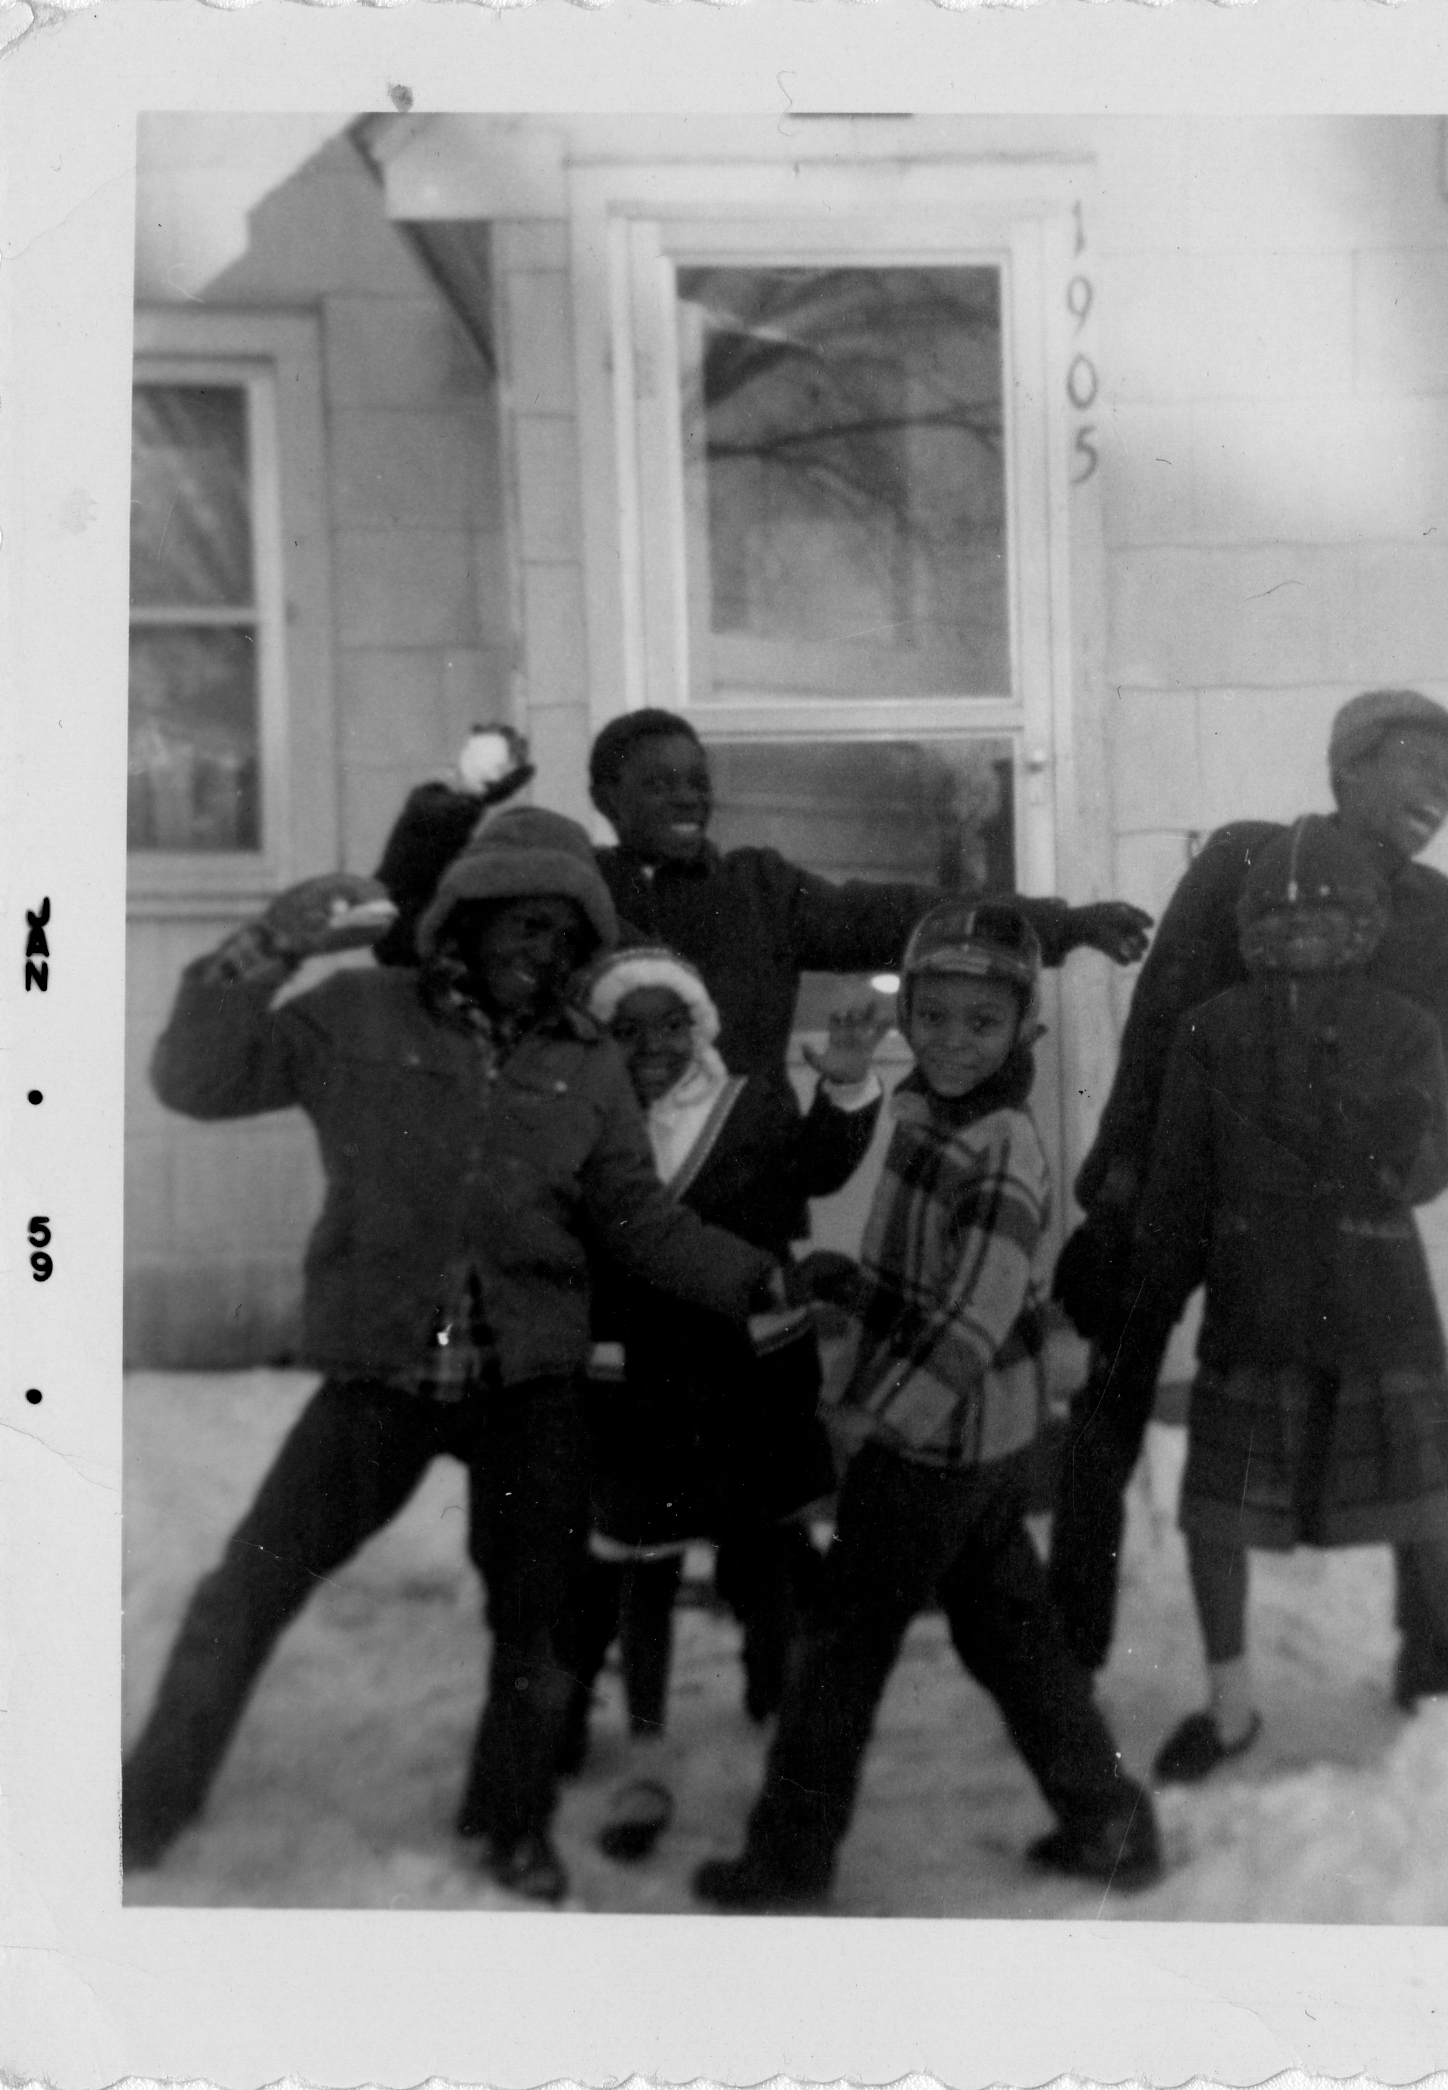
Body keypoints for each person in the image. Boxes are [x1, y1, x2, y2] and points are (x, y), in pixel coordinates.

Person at [369, 710, 1154, 1704]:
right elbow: (415, 930)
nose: (687, 796)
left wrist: (1058, 923)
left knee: (764, 1492)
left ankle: (772, 1683)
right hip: (618, 1253)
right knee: (620, 1503)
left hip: (751, 1232)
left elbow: (902, 913)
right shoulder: (585, 902)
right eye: (658, 782)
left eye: (697, 778)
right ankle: (569, 1707)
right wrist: (452, 808)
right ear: (605, 798)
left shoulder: (758, 889)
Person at [122, 810, 783, 1905]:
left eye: (566, 933)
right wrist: (266, 948)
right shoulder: (353, 1014)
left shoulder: (590, 1065)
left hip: (528, 1382)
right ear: (463, 922)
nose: (544, 949)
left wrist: (756, 1275)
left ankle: (511, 1818)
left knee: (540, 1613)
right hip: (383, 1372)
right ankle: (150, 1804)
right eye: (522, 922)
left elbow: (639, 1219)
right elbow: (195, 1079)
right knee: (247, 1586)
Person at [692, 902, 1163, 1911]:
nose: (952, 1041)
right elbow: (920, 1274)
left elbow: (973, 1310)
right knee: (1008, 1632)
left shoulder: (1004, 1146)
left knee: (841, 1647)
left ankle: (788, 1860)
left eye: (979, 1023)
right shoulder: (922, 1109)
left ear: (1023, 1031)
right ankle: (1107, 1821)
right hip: (978, 1440)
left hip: (937, 1437)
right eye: (934, 1016)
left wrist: (878, 1416)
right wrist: (853, 1288)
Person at [1047, 686, 1448, 1677]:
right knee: (1108, 1402)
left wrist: (1378, 1171)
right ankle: (1065, 1649)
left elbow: (1430, 1075)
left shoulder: (1439, 913)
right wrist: (1117, 1194)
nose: (1440, 788)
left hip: (1319, 1208)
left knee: (1398, 1395)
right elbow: (1157, 1027)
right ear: (1346, 767)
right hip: (1180, 1176)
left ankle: (1435, 1657)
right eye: (1418, 760)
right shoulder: (1243, 856)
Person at [1123, 817, 1448, 1782]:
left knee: (1425, 1510)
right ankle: (1233, 1704)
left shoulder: (1404, 1026)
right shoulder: (1213, 1030)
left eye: (1325, 913)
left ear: (1366, 924)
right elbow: (1176, 1176)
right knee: (1218, 1515)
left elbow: (1432, 1170)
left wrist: (1397, 1147)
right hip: (1258, 1302)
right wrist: (1150, 1272)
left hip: (1377, 1302)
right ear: (1248, 929)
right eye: (1276, 916)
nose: (1300, 932)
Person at [562, 945, 887, 1862]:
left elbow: (817, 1170)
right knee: (645, 1565)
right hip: (642, 1377)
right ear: (600, 1041)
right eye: (629, 1031)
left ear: (701, 1025)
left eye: (672, 1024)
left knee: (771, 1544)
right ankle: (649, 1754)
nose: (654, 1046)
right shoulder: (589, 1121)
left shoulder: (752, 1102)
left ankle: (785, 1730)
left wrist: (850, 1087)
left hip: (751, 1365)